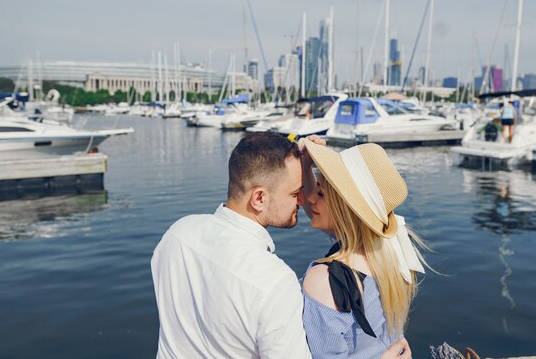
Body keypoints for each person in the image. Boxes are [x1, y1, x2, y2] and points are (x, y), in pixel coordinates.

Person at [151, 132, 411, 359]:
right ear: (259, 198)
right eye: (294, 192)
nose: (304, 199)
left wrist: (302, 167)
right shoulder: (275, 283)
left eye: (316, 192)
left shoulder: (177, 234)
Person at [300, 141, 425, 359]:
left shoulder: (326, 280)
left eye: (320, 194)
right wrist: (305, 166)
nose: (309, 199)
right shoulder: (393, 253)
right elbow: (325, 214)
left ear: (344, 211)